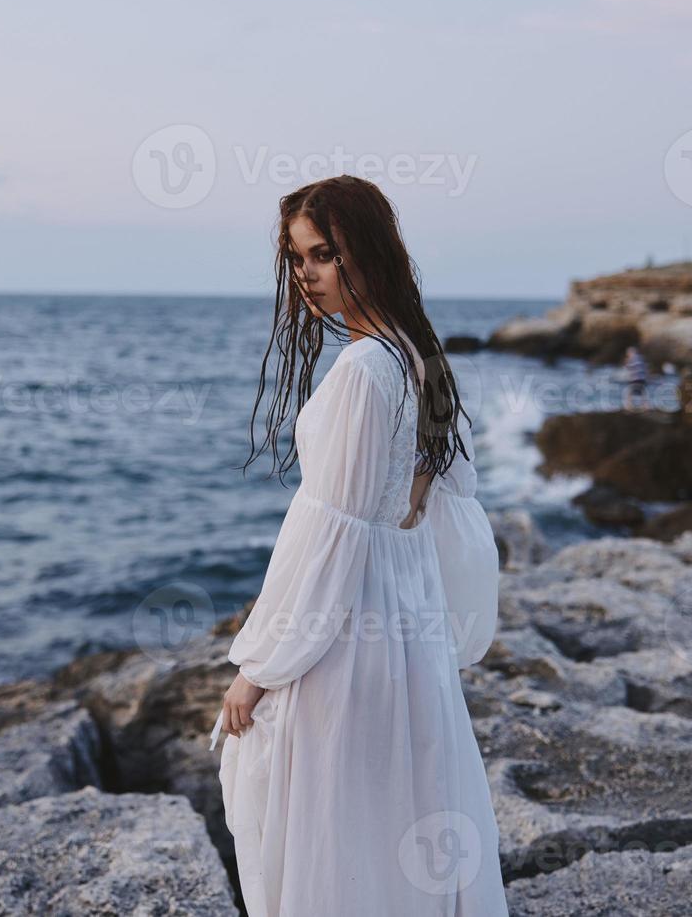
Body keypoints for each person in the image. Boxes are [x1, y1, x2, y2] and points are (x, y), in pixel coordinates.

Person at [208, 176, 509, 916]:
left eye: (322, 255)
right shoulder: (417, 355)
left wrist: (259, 665)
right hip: (408, 624)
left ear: (365, 253)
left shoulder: (364, 372)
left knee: (332, 817)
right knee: (398, 808)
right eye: (296, 259)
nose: (306, 276)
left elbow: (326, 537)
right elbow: (446, 510)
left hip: (354, 632)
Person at [621, 345, 648, 410]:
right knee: (643, 392)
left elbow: (630, 368)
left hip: (635, 379)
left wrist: (627, 362)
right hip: (642, 379)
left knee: (629, 392)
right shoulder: (641, 358)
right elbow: (644, 368)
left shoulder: (632, 359)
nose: (627, 355)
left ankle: (629, 406)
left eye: (628, 353)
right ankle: (644, 405)